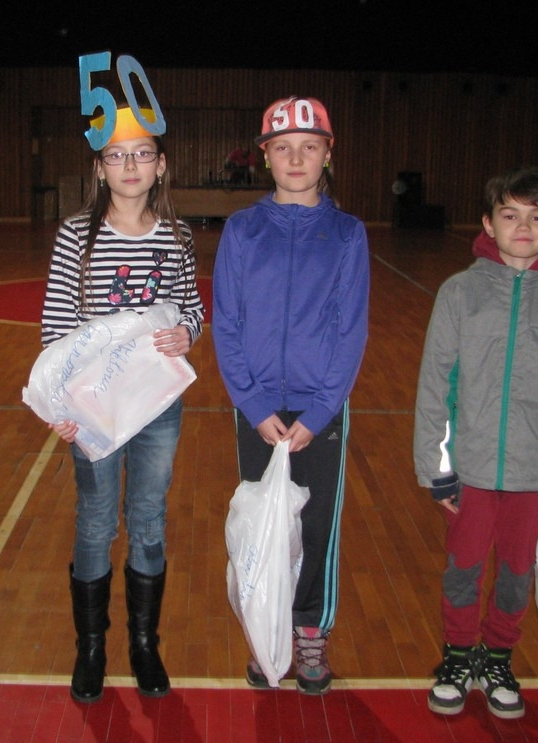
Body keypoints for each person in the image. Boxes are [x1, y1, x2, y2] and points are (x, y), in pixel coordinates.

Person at [414, 167, 538, 719]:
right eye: (510, 215)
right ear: (488, 224)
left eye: (536, 217)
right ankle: (457, 656)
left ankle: (497, 656)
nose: (523, 227)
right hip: (469, 471)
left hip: (537, 475)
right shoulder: (460, 292)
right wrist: (437, 467)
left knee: (518, 575)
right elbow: (436, 384)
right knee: (463, 569)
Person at [40, 105, 205, 703]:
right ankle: (91, 647)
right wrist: (59, 403)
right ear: (99, 168)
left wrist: (187, 332)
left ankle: (143, 644)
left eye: (141, 154)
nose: (129, 165)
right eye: (116, 155)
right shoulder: (75, 236)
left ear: (160, 166)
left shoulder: (178, 237)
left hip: (157, 403)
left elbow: (192, 307)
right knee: (95, 519)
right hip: (95, 406)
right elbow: (56, 326)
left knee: (149, 518)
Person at [212, 96, 370, 695]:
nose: (296, 158)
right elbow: (227, 324)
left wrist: (324, 409)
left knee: (317, 525)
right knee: (264, 526)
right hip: (258, 411)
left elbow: (350, 329)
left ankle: (308, 632)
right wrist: (252, 405)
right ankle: (265, 628)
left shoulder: (347, 235)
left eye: (309, 146)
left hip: (319, 411)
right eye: (283, 147)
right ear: (265, 157)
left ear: (328, 154)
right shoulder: (243, 230)